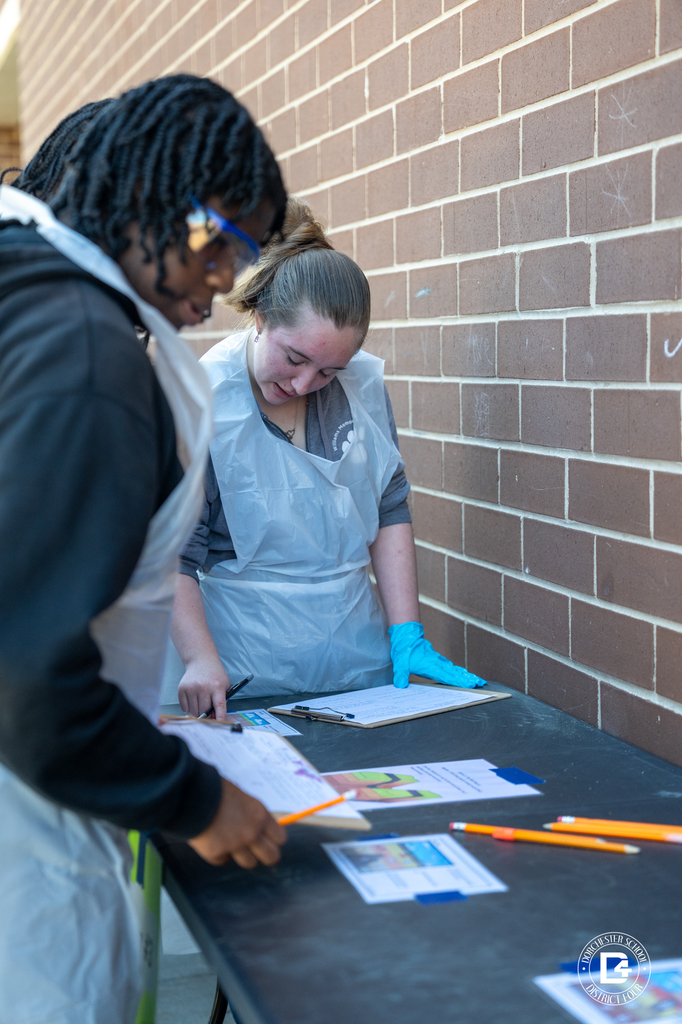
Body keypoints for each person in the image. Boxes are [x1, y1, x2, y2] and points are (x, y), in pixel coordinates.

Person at [0, 75, 288, 1024]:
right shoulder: (84, 358)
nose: (225, 281)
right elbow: (27, 673)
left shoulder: (28, 294)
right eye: (224, 244)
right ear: (151, 198)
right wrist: (193, 800)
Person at [167, 199, 485, 720]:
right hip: (244, 665)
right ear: (261, 316)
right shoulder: (201, 399)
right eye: (293, 359)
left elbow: (389, 506)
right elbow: (173, 555)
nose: (302, 384)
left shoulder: (362, 387)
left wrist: (406, 632)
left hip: (357, 663)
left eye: (328, 372)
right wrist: (199, 658)